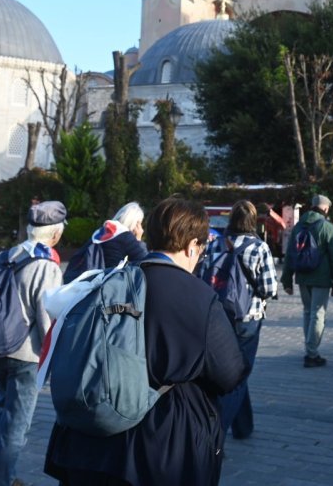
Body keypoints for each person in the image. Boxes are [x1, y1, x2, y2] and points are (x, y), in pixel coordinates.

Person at [45, 198, 246, 486]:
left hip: (84, 445)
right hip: (156, 449)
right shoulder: (200, 297)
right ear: (193, 246)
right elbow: (229, 374)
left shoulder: (108, 280)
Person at [0, 200, 66, 486]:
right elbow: (48, 321)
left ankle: (2, 476)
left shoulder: (4, 256)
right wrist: (56, 359)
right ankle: (1, 482)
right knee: (17, 425)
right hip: (26, 354)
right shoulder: (46, 265)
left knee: (5, 414)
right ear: (55, 235)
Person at [208, 199, 278, 442]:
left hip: (218, 317)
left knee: (234, 370)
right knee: (240, 374)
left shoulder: (216, 244)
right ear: (252, 221)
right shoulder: (259, 248)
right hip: (248, 317)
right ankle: (218, 432)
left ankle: (244, 426)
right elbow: (269, 288)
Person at [281, 194, 333, 368]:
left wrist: (286, 280)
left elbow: (289, 255)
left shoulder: (298, 227)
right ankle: (312, 353)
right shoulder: (328, 228)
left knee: (308, 312)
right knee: (318, 314)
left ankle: (310, 348)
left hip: (302, 277)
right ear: (325, 209)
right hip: (321, 278)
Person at [66, 202, 147, 280]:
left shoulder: (101, 232)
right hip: (114, 285)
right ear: (136, 223)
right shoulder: (126, 237)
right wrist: (138, 240)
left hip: (95, 282)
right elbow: (145, 262)